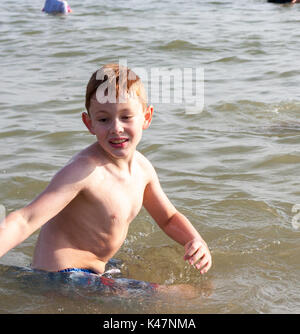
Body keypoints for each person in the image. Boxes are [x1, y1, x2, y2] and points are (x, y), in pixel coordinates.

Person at [0, 64, 212, 287]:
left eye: (126, 117)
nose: (116, 128)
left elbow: (168, 218)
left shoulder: (142, 168)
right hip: (61, 277)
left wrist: (194, 239)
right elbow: (24, 220)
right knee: (178, 296)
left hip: (96, 270)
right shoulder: (84, 171)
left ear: (147, 117)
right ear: (88, 123)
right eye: (103, 119)